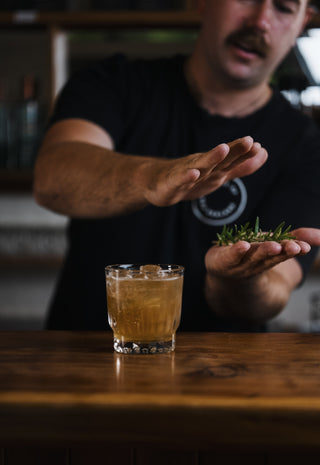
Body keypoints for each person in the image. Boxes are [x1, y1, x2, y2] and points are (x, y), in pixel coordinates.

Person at [34, 0, 320, 332]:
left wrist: (236, 278)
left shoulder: (307, 147)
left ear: (303, 23)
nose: (260, 21)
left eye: (284, 8)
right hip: (83, 356)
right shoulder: (113, 83)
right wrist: (151, 178)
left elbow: (275, 289)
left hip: (222, 372)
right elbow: (52, 176)